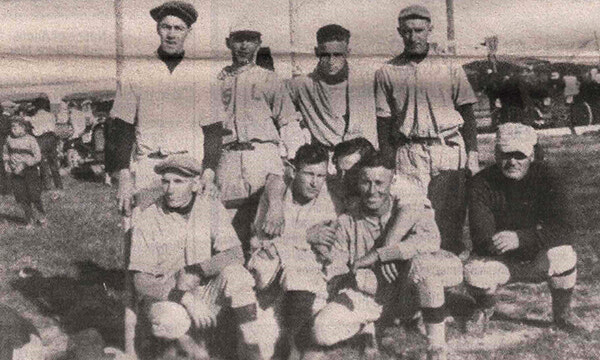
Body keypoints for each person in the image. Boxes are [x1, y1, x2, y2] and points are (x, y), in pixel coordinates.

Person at [309, 152, 463, 360]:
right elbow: (336, 267)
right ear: (358, 183)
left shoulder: (409, 211)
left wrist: (383, 254)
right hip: (369, 296)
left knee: (426, 266)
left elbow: (430, 241)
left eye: (380, 183)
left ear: (392, 182)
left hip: (407, 291)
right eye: (366, 182)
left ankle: (436, 348)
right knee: (322, 331)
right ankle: (367, 326)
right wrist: (353, 277)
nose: (373, 191)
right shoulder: (346, 221)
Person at [128, 155, 263, 359]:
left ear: (195, 184)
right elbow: (141, 281)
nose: (170, 189)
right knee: (170, 319)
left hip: (204, 289)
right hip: (167, 296)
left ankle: (253, 352)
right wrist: (184, 298)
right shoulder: (148, 217)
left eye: (178, 181)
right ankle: (190, 352)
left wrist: (198, 270)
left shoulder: (210, 207)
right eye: (165, 181)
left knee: (238, 276)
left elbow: (235, 253)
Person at [464, 123, 590, 334]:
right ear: (496, 154)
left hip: (538, 255)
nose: (512, 161)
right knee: (474, 270)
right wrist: (499, 243)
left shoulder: (550, 178)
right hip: (501, 257)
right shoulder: (481, 183)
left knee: (564, 254)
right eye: (506, 155)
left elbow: (567, 228)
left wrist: (521, 238)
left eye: (519, 155)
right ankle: (484, 308)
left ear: (532, 155)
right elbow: (480, 236)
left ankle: (562, 313)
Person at [374, 5, 479, 256]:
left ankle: (449, 283)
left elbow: (467, 112)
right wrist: (388, 163)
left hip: (447, 147)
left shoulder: (450, 66)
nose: (414, 37)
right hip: (410, 152)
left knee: (449, 220)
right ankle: (415, 280)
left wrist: (473, 155)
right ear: (400, 32)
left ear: (429, 30)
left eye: (419, 30)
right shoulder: (386, 72)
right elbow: (384, 123)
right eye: (408, 31)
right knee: (413, 217)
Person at [111, 0, 217, 223]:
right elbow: (122, 125)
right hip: (149, 168)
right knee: (139, 236)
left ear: (189, 31)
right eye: (166, 27)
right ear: (157, 28)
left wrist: (209, 170)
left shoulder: (202, 73)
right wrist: (123, 175)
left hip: (187, 169)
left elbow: (214, 129)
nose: (171, 34)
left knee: (188, 243)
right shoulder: (136, 70)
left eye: (178, 28)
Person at [215, 21, 306, 248]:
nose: (244, 45)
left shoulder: (270, 78)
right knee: (228, 224)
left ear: (259, 43)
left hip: (262, 153)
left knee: (263, 224)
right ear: (228, 43)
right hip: (229, 155)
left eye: (251, 39)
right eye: (238, 39)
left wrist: (293, 161)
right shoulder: (217, 80)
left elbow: (287, 121)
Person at [248, 144, 338, 358]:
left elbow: (321, 249)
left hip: (303, 290)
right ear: (294, 172)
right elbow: (263, 242)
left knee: (302, 268)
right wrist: (304, 236)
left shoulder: (329, 201)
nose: (314, 182)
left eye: (320, 175)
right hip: (267, 283)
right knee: (258, 348)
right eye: (308, 174)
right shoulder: (274, 197)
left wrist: (289, 239)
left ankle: (294, 347)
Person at [287, 24, 376, 153]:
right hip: (323, 159)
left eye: (337, 55)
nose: (331, 61)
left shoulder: (365, 83)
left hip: (359, 158)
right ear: (316, 52)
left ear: (347, 53)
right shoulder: (302, 84)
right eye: (325, 55)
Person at [2, 116, 46, 228]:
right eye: (12, 128)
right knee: (22, 197)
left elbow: (37, 157)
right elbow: (5, 153)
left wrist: (25, 163)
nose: (13, 130)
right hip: (15, 172)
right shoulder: (9, 139)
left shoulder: (30, 139)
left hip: (29, 171)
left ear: (23, 128)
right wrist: (7, 163)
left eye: (15, 128)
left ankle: (42, 216)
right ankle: (29, 219)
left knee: (34, 196)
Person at [28, 97, 63, 195]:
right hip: (51, 138)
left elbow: (33, 131)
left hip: (41, 139)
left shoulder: (33, 118)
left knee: (43, 163)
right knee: (54, 162)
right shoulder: (51, 115)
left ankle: (47, 186)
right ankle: (59, 184)